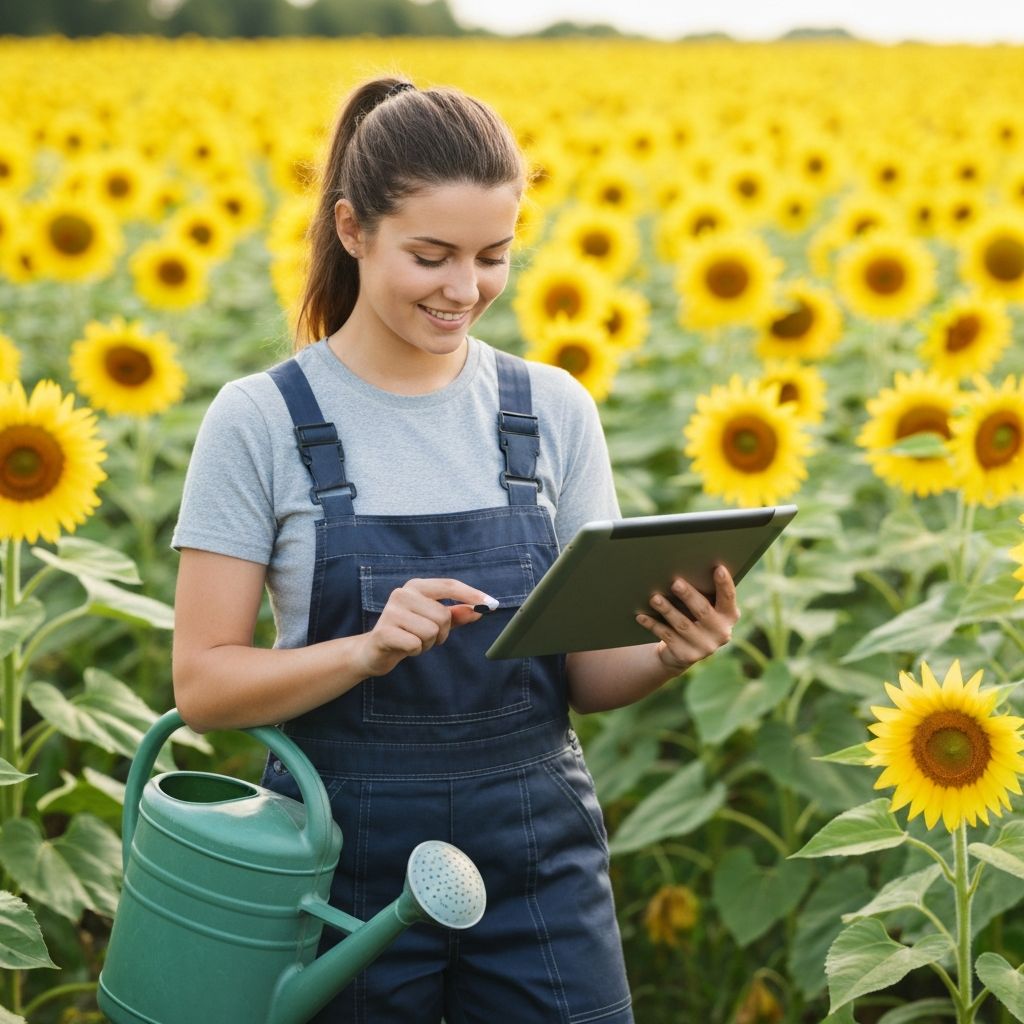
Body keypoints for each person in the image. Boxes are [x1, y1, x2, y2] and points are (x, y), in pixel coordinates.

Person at [171, 76, 740, 1024]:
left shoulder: (552, 410)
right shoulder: (263, 420)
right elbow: (205, 685)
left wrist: (670, 650)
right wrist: (365, 652)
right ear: (353, 229)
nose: (464, 290)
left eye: (493, 257)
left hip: (537, 846)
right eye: (431, 256)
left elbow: (586, 678)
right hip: (338, 851)